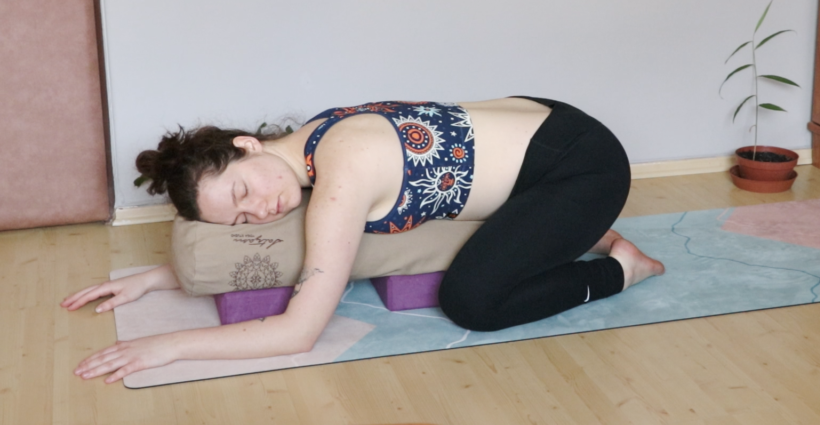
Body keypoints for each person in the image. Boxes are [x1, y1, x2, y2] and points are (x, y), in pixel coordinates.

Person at [62, 97, 665, 383]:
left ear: (245, 145)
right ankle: (568, 228)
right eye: (239, 222)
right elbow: (283, 241)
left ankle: (620, 269)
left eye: (244, 193)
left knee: (474, 300)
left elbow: (299, 334)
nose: (259, 212)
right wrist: (152, 277)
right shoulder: (305, 149)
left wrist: (169, 347)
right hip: (550, 121)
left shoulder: (342, 175)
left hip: (582, 165)